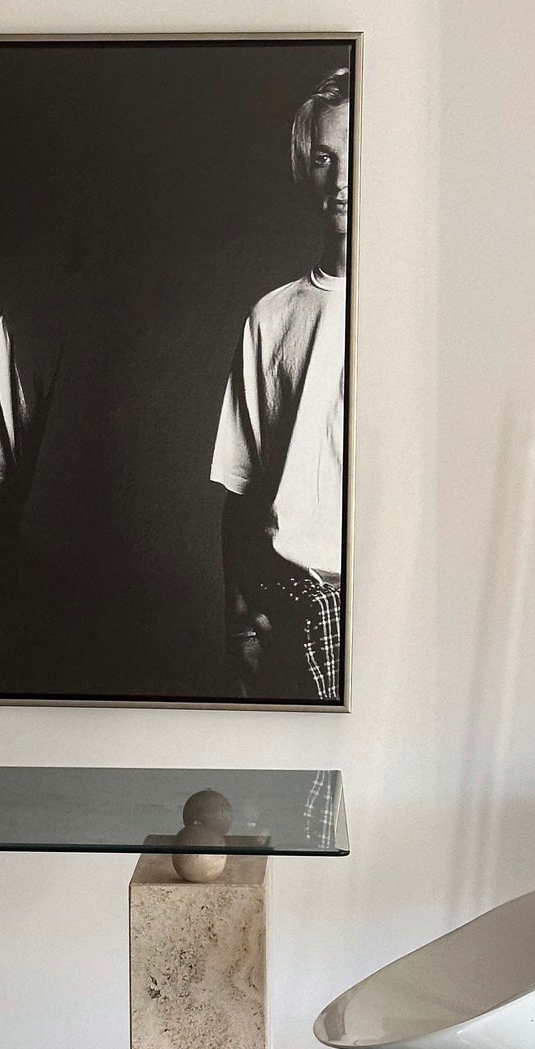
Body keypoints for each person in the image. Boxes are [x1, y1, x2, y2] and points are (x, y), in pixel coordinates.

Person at [211, 67, 351, 702]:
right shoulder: (272, 315)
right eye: (325, 158)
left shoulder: (426, 310)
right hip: (289, 596)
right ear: (306, 169)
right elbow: (239, 485)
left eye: (357, 154)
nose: (342, 179)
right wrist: (240, 613)